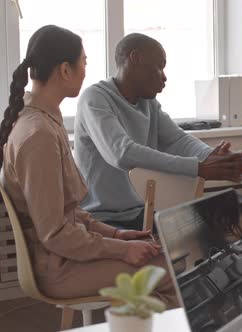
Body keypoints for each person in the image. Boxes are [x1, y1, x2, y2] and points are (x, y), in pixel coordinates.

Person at [0, 25, 177, 305]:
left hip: (67, 255)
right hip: (59, 267)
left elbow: (70, 213)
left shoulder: (45, 123)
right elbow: (55, 233)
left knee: (166, 258)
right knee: (171, 271)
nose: (85, 70)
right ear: (65, 70)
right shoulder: (39, 136)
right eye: (83, 62)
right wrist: (121, 250)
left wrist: (118, 235)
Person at [74, 33, 242, 230]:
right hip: (101, 219)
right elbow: (122, 153)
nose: (164, 77)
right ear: (136, 58)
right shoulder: (95, 98)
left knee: (214, 238)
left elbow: (178, 140)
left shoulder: (149, 104)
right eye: (160, 66)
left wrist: (215, 157)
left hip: (141, 212)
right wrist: (200, 168)